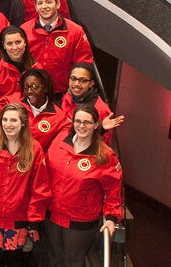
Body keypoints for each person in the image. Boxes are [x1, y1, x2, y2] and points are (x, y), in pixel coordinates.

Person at [44, 104, 123, 267]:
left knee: (73, 261)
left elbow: (113, 189)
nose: (81, 125)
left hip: (80, 221)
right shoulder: (60, 140)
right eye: (77, 121)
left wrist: (111, 217)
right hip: (52, 215)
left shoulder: (105, 155)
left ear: (96, 125)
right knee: (54, 258)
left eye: (87, 122)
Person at [0, 103, 50, 266]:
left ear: (23, 123)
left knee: (15, 261)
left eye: (14, 120)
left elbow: (39, 187)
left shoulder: (34, 149)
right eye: (5, 119)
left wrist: (34, 220)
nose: (8, 124)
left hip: (19, 219)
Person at [21, 0, 93, 97]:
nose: (44, 6)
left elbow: (84, 64)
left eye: (48, 2)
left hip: (62, 94)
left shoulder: (76, 31)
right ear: (35, 7)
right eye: (40, 3)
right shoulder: (24, 30)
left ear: (58, 4)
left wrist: (73, 92)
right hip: (31, 94)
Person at [61, 63, 125, 139]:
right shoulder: (67, 97)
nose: (76, 83)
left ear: (91, 83)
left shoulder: (100, 109)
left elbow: (102, 145)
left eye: (83, 80)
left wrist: (101, 129)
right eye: (73, 78)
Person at [0, 26, 37, 105]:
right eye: (9, 44)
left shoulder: (36, 67)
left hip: (28, 112)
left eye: (18, 42)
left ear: (25, 42)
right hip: (2, 112)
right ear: (3, 45)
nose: (15, 47)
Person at [17, 69, 68, 150]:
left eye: (34, 86)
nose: (29, 91)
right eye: (26, 87)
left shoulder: (59, 118)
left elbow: (56, 150)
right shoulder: (15, 107)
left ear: (46, 88)